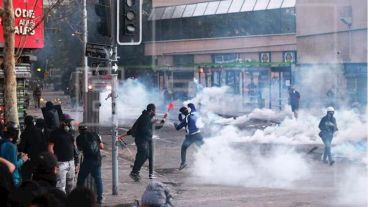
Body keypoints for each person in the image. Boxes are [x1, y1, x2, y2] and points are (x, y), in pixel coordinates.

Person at [119, 104, 167, 181]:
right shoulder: (144, 118)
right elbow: (136, 128)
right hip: (141, 140)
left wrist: (163, 119)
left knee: (149, 155)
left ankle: (147, 173)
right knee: (144, 154)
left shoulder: (148, 117)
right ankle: (135, 171)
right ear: (151, 110)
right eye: (154, 111)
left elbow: (157, 126)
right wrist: (123, 135)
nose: (155, 112)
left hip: (148, 140)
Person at [48, 114, 79, 193]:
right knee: (61, 187)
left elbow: (73, 147)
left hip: (71, 162)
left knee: (71, 185)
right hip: (60, 163)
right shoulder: (55, 133)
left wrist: (76, 162)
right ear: (63, 123)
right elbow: (50, 147)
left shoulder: (70, 133)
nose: (70, 124)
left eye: (70, 122)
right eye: (68, 122)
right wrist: (54, 162)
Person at [76, 124, 104, 204]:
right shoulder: (94, 134)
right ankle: (100, 199)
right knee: (98, 179)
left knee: (80, 179)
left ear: (79, 130)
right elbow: (102, 147)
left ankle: (78, 197)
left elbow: (79, 149)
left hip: (88, 161)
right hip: (98, 160)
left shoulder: (79, 138)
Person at [174, 103, 204, 170]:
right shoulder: (194, 114)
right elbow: (189, 123)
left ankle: (183, 163)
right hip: (198, 135)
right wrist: (188, 105)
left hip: (190, 137)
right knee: (203, 148)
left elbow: (178, 128)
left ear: (182, 113)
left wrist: (175, 124)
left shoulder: (186, 118)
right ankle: (211, 162)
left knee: (183, 148)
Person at [19, 115, 48, 180]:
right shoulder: (39, 131)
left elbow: (21, 148)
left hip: (28, 159)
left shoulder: (24, 133)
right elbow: (44, 145)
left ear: (25, 123)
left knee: (26, 177)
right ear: (33, 122)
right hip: (39, 157)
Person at [0, 121, 29, 186]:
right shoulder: (11, 146)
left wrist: (18, 155)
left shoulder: (2, 142)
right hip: (13, 178)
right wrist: (23, 160)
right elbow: (14, 165)